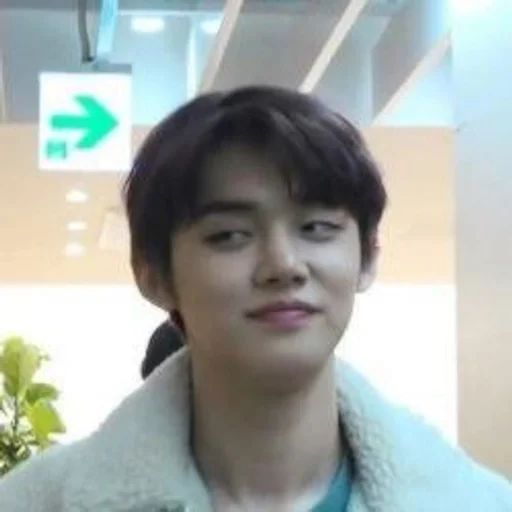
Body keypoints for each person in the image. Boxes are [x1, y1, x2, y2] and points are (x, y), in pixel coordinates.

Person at [0, 86, 511, 511]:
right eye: (229, 236)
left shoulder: (474, 502)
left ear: (368, 256)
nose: (284, 265)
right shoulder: (37, 502)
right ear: (154, 275)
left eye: (317, 227)